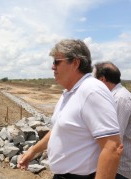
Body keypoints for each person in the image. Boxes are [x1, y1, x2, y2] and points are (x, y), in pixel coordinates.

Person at [17, 39, 122, 179]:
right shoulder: (70, 93)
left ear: (75, 63)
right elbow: (60, 128)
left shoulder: (92, 91)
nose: (52, 67)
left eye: (57, 62)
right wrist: (33, 151)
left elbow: (112, 147)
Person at [93, 62, 131, 179]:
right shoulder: (114, 96)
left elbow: (115, 140)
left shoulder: (120, 98)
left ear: (102, 79)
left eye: (94, 80)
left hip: (120, 167)